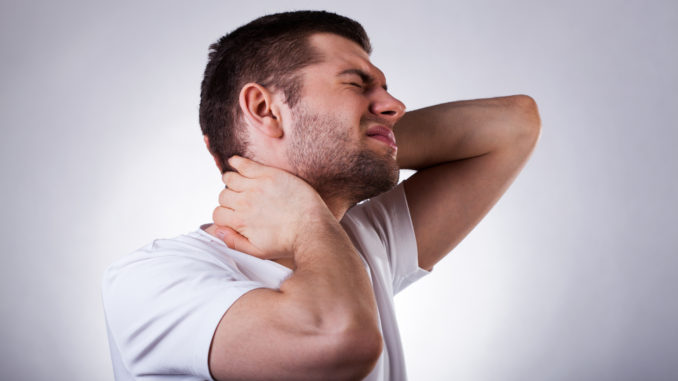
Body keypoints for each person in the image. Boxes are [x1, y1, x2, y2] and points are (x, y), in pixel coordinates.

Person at [102, 10, 541, 381]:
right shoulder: (153, 279)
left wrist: (368, 138)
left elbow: (513, 125)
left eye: (384, 89)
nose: (395, 105)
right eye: (356, 83)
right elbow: (340, 342)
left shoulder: (362, 242)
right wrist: (303, 218)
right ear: (264, 109)